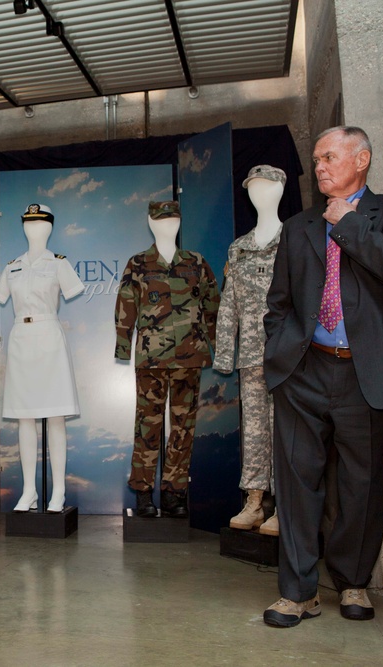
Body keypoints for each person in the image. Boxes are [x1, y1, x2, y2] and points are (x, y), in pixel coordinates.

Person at [261, 126, 383, 627]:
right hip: (303, 372)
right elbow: (278, 303)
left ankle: (353, 583)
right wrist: (280, 354)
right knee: (298, 485)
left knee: (362, 487)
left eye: (329, 157)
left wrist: (347, 222)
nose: (320, 166)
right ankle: (297, 592)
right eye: (317, 158)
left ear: (362, 158)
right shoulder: (299, 225)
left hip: (367, 375)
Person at [115, 200, 220, 519]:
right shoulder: (138, 263)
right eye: (161, 220)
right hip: (151, 359)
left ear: (179, 222)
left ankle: (175, 492)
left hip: (190, 357)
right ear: (150, 222)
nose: (167, 225)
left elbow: (213, 305)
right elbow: (125, 307)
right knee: (147, 426)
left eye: (173, 219)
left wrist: (219, 345)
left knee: (183, 428)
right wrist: (122, 346)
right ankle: (144, 493)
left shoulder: (196, 262)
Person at [0, 204, 84, 514]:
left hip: (49, 338)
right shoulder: (12, 266)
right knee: (24, 418)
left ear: (50, 227)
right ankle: (29, 490)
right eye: (28, 223)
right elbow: (1, 295)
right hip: (21, 338)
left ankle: (58, 491)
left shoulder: (59, 263)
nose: (34, 228)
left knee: (56, 417)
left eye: (40, 223)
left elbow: (71, 291)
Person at [215, 165, 285, 536]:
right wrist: (225, 353)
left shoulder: (294, 239)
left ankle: (285, 506)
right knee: (255, 430)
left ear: (280, 189)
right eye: (252, 186)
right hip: (251, 357)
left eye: (266, 185)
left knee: (286, 431)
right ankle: (255, 501)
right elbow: (229, 304)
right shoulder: (238, 247)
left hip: (289, 355)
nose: (258, 192)